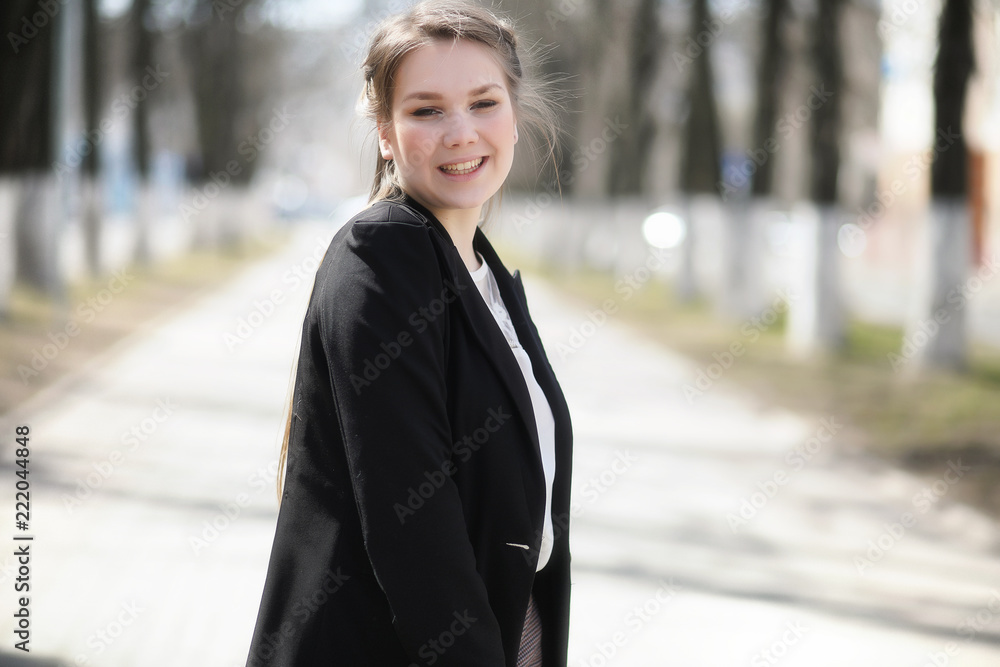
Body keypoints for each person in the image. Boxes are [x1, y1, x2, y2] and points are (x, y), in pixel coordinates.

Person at [244, 2, 573, 666]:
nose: (461, 132)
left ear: (515, 113)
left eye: (483, 102)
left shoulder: (486, 273)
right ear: (385, 131)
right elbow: (416, 537)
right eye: (426, 110)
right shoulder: (382, 259)